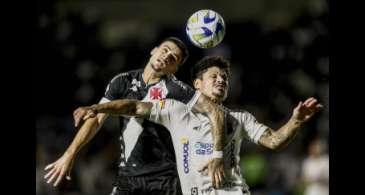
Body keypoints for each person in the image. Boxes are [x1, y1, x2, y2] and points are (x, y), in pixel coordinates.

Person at [71, 56, 323, 195]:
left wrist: (296, 120)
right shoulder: (175, 110)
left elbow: (275, 140)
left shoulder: (241, 117)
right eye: (214, 76)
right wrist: (98, 107)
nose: (221, 80)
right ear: (197, 85)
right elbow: (134, 107)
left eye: (225, 77)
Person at [44, 38, 226, 195]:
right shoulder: (122, 81)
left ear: (174, 68)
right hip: (128, 176)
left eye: (173, 58)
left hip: (164, 180)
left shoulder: (177, 90)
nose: (166, 56)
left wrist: (217, 154)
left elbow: (215, 112)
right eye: (164, 50)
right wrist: (69, 154)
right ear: (153, 50)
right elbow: (96, 119)